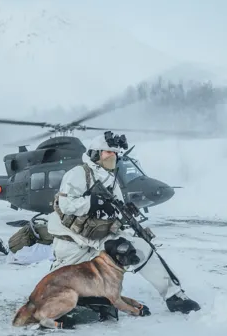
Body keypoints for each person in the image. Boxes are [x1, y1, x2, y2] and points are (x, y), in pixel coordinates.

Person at [46, 131, 201, 316]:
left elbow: (114, 208)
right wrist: (92, 203)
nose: (113, 156)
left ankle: (175, 296)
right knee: (60, 283)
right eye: (108, 152)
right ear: (96, 153)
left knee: (139, 248)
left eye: (115, 153)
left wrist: (123, 213)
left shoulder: (111, 179)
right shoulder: (79, 174)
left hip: (100, 235)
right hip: (73, 240)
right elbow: (65, 204)